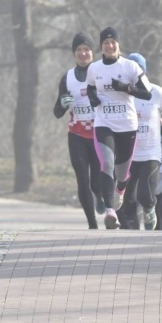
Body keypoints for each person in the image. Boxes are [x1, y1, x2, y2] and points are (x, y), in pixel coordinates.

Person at [86, 26, 153, 229]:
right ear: (101, 46)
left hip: (127, 124)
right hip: (104, 123)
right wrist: (93, 99)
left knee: (122, 173)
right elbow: (90, 88)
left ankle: (121, 188)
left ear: (118, 44)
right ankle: (110, 211)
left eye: (113, 42)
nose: (109, 45)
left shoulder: (130, 67)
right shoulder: (94, 68)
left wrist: (126, 88)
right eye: (105, 43)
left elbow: (147, 93)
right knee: (106, 164)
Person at [53, 32, 105, 229]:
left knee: (96, 183)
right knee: (82, 179)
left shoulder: (100, 73)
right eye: (79, 50)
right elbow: (57, 112)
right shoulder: (67, 78)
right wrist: (62, 103)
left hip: (99, 134)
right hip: (76, 136)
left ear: (93, 52)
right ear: (74, 53)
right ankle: (92, 224)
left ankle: (99, 195)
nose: (83, 53)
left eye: (86, 49)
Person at [115, 53, 162, 230]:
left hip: (151, 151)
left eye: (139, 71)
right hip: (129, 152)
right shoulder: (121, 94)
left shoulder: (157, 93)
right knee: (127, 200)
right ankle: (129, 230)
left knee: (145, 195)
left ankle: (150, 210)